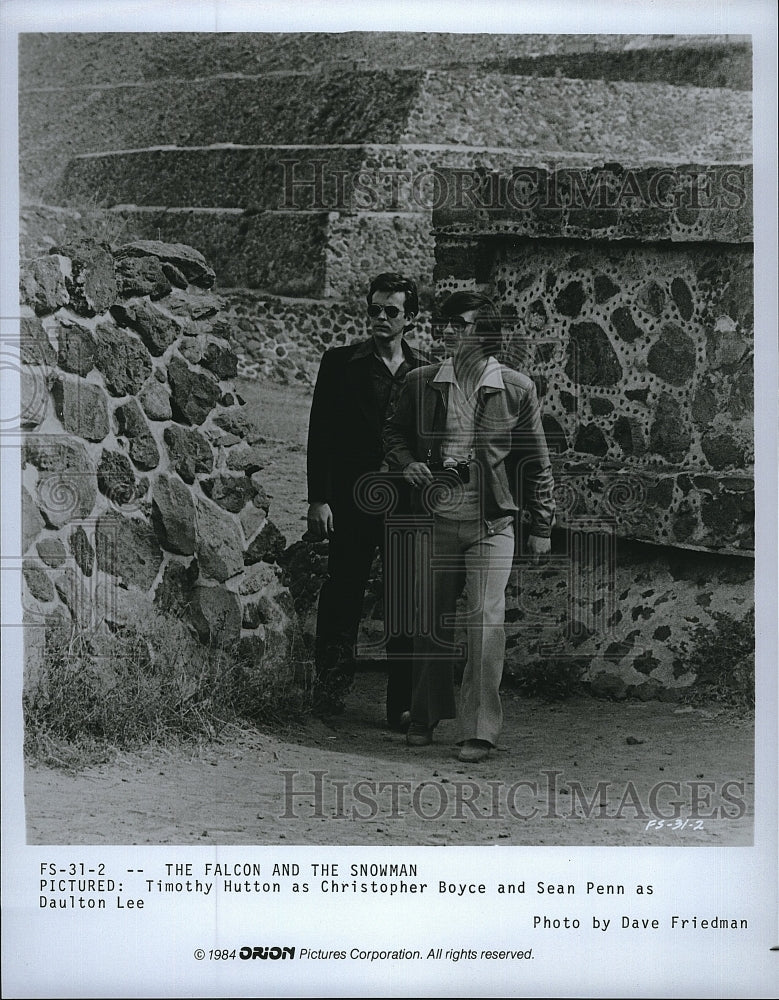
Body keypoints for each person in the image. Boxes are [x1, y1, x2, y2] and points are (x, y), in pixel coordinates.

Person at [382, 290, 555, 762]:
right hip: (434, 519)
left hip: (491, 523)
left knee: (485, 620)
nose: (447, 331)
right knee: (428, 621)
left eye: (459, 324)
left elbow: (536, 463)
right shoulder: (421, 381)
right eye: (444, 323)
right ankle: (423, 715)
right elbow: (393, 433)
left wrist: (542, 523)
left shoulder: (516, 388)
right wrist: (409, 463)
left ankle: (479, 729)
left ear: (485, 335)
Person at [306, 272, 427, 727]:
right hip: (350, 500)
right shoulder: (339, 363)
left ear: (410, 318)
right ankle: (329, 696)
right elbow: (320, 434)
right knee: (342, 597)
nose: (379, 318)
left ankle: (401, 707)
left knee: (403, 603)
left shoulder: (424, 371)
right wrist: (318, 499)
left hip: (404, 504)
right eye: (374, 309)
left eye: (390, 311)